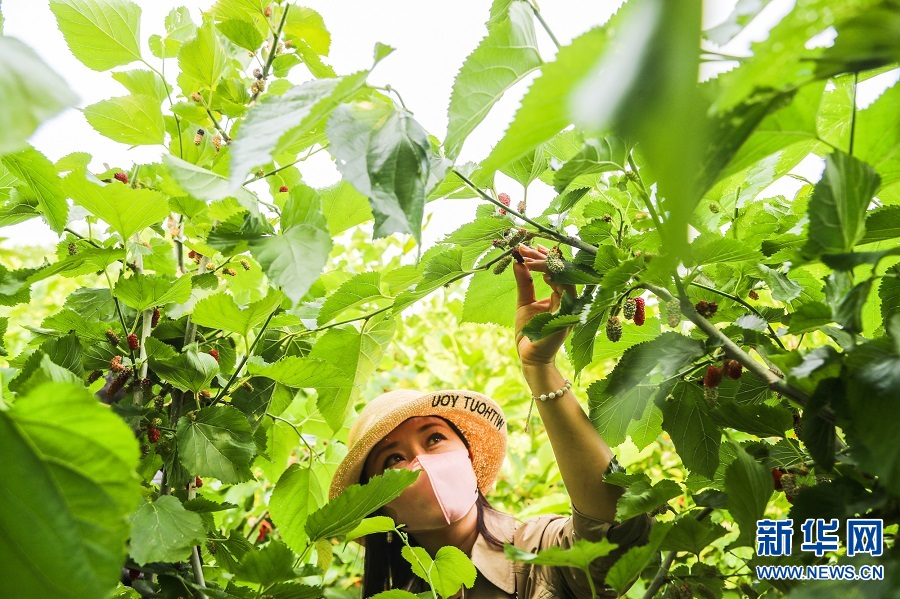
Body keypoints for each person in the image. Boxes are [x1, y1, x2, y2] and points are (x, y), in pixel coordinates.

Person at [328, 245, 653, 598]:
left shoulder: (539, 553)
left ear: (468, 455)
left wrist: (540, 368)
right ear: (380, 505)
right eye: (393, 459)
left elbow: (618, 527)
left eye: (434, 438)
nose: (421, 463)